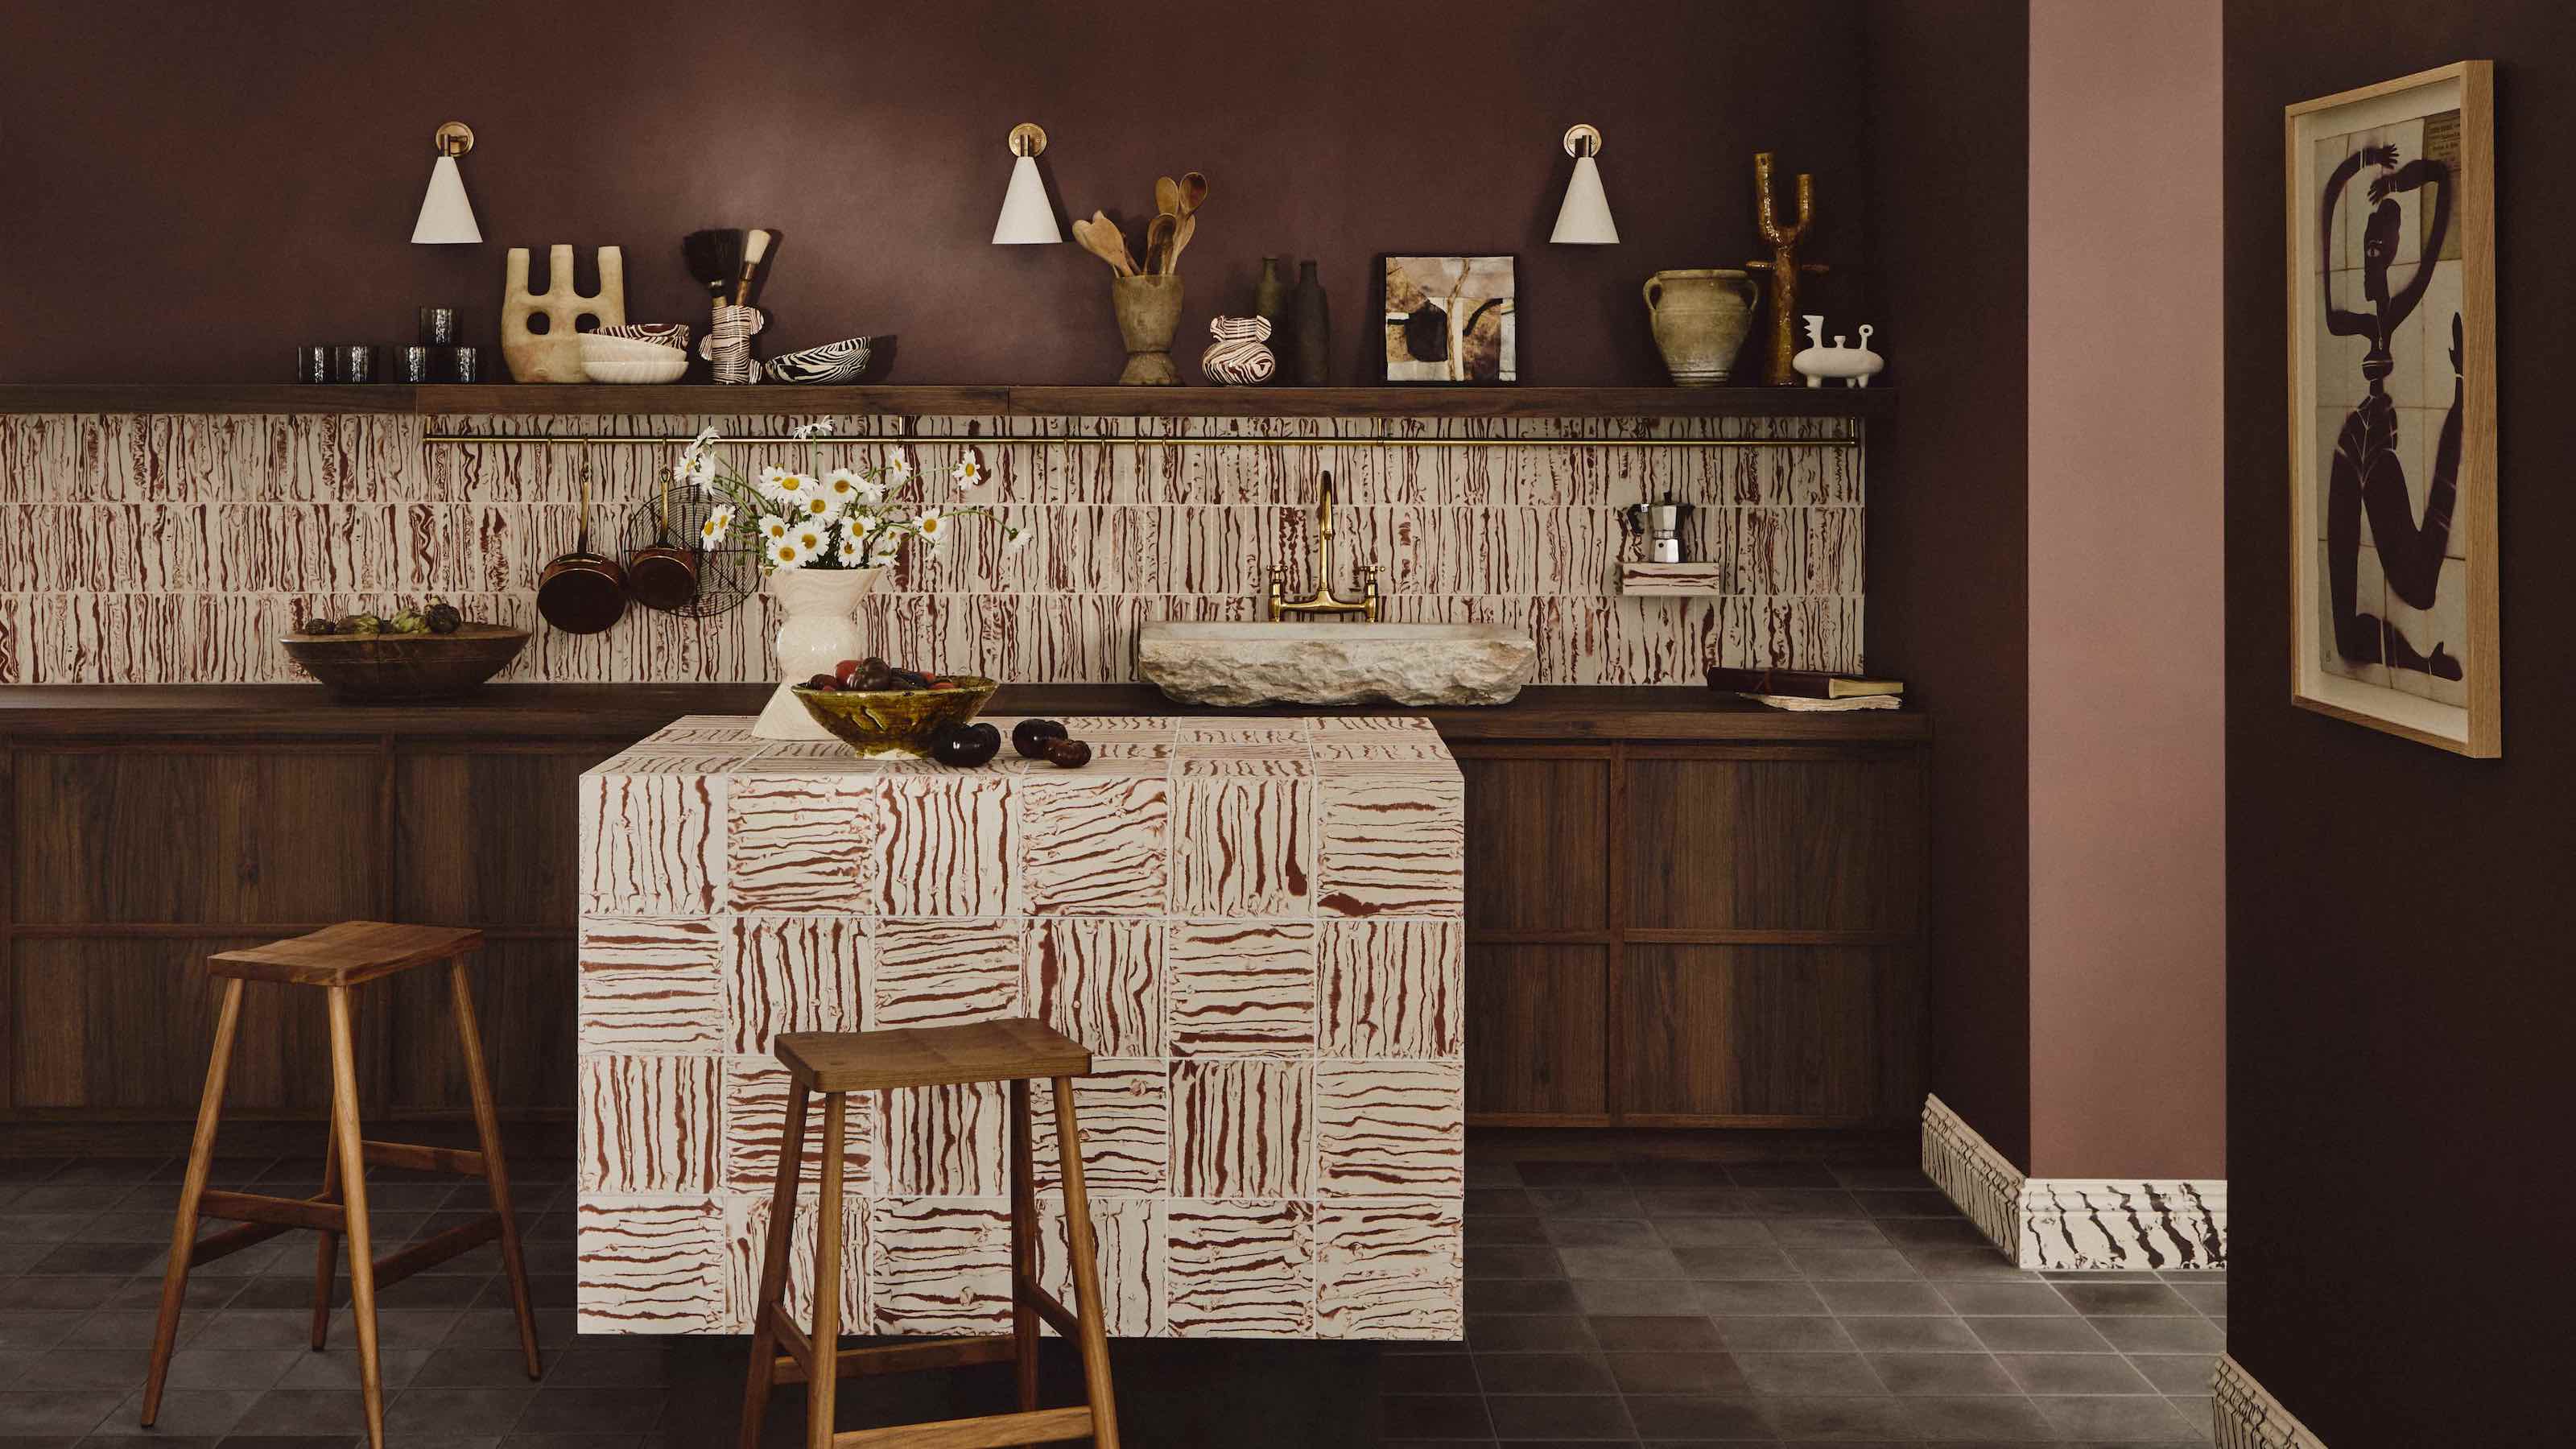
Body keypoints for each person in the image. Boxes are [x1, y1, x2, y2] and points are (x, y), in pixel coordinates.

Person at [2318, 140, 2462, 680]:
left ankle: (2420, 662)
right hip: (2350, 445)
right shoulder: (2348, 318)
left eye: (2383, 242)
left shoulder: (2393, 310)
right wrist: (2356, 165)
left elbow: (2445, 186)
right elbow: (2329, 199)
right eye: (2369, 241)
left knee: (2419, 585)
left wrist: (2404, 182)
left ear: (2394, 248)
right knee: (2345, 631)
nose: (2372, 250)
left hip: (2373, 448)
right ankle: (2418, 661)